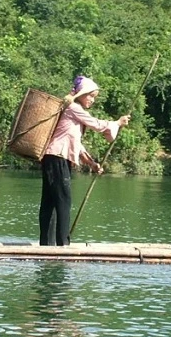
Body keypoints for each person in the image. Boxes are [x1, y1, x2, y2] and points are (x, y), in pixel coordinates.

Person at [39, 76, 130, 246]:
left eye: (94, 97)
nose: (92, 100)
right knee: (62, 200)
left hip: (54, 158)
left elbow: (77, 146)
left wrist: (92, 164)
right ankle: (62, 245)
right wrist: (118, 122)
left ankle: (48, 245)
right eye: (90, 96)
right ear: (81, 94)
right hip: (56, 157)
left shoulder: (72, 112)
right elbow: (97, 125)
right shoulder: (73, 108)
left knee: (52, 202)